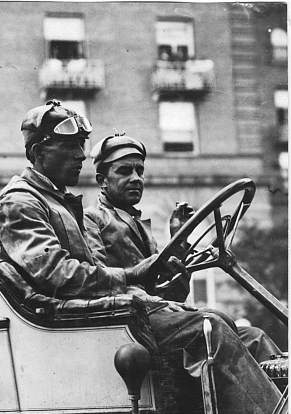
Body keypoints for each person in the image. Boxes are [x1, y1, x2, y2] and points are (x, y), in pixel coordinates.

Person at [0, 100, 284, 414]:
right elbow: (59, 275)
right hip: (82, 328)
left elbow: (95, 273)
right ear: (40, 152)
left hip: (108, 316)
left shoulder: (56, 201)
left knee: (245, 334)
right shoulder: (21, 201)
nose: (81, 155)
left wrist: (161, 273)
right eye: (70, 145)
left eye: (82, 146)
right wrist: (133, 278)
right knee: (211, 328)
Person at [83, 132, 282, 363]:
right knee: (213, 324)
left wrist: (179, 238)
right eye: (124, 171)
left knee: (253, 337)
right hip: (130, 320)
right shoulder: (92, 219)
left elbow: (162, 288)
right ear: (102, 180)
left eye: (140, 171)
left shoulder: (139, 225)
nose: (136, 178)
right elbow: (99, 281)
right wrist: (160, 302)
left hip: (156, 315)